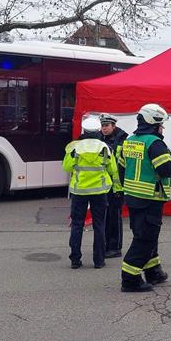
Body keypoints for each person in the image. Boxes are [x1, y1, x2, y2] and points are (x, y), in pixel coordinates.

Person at [118, 104, 171, 293]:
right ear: (154, 123)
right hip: (150, 198)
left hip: (133, 196)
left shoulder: (129, 141)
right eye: (161, 124)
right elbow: (166, 170)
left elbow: (122, 168)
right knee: (145, 239)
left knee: (147, 236)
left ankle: (154, 272)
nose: (162, 128)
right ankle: (130, 279)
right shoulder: (155, 143)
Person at [63, 116, 119, 270]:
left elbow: (67, 167)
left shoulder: (74, 147)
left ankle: (75, 260)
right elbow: (112, 169)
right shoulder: (105, 148)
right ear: (98, 130)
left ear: (84, 130)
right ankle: (99, 260)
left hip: (79, 191)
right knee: (99, 225)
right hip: (100, 191)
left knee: (77, 225)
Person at [99, 113, 128, 259]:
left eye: (106, 126)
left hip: (117, 185)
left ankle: (115, 247)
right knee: (105, 216)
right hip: (104, 183)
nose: (104, 129)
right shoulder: (99, 138)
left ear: (113, 126)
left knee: (114, 217)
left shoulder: (123, 139)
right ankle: (106, 245)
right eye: (102, 126)